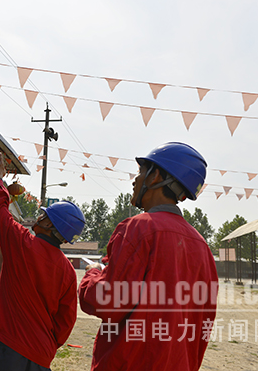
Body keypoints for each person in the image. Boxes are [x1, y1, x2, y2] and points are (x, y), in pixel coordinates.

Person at [78, 142, 218, 371]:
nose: (135, 180)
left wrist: (91, 274)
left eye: (141, 171)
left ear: (156, 177)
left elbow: (108, 301)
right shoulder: (202, 246)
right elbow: (203, 320)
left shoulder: (138, 228)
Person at [0, 155, 86, 371]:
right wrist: (45, 344)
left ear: (49, 224)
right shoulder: (68, 271)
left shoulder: (22, 243)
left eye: (43, 216)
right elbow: (66, 321)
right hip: (40, 356)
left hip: (6, 348)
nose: (39, 218)